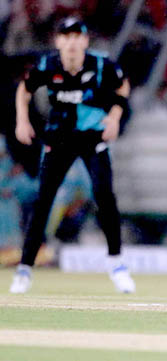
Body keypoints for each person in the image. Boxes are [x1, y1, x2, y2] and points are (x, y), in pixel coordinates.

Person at [9, 17, 135, 295]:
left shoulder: (100, 65)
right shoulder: (48, 65)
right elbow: (24, 90)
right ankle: (24, 269)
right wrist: (22, 121)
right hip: (60, 138)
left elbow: (122, 85)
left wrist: (114, 117)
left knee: (104, 196)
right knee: (43, 202)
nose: (72, 42)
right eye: (66, 36)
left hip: (93, 138)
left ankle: (116, 264)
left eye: (78, 36)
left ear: (85, 41)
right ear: (58, 42)